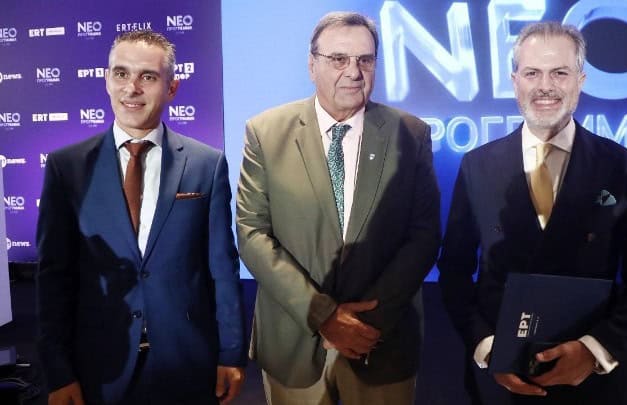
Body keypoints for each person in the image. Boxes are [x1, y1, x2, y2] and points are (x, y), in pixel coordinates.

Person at [438, 21, 627, 404]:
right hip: (499, 384)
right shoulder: (477, 166)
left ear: (581, 80)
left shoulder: (621, 166)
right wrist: (487, 347)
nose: (545, 86)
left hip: (590, 386)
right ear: (515, 81)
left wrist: (595, 350)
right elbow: (454, 271)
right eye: (532, 73)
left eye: (559, 73)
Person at [236, 11, 441, 405]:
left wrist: (365, 323)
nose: (354, 72)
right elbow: (252, 232)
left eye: (365, 60)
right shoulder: (265, 131)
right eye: (338, 59)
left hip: (380, 340)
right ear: (312, 65)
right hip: (294, 343)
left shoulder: (411, 132)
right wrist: (323, 315)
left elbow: (424, 235)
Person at [36, 30, 246, 405]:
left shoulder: (206, 164)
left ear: (172, 88)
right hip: (98, 368)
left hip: (186, 364)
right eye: (121, 73)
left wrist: (230, 353)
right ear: (107, 80)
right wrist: (58, 371)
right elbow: (54, 278)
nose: (131, 88)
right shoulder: (66, 167)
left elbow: (222, 270)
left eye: (147, 76)